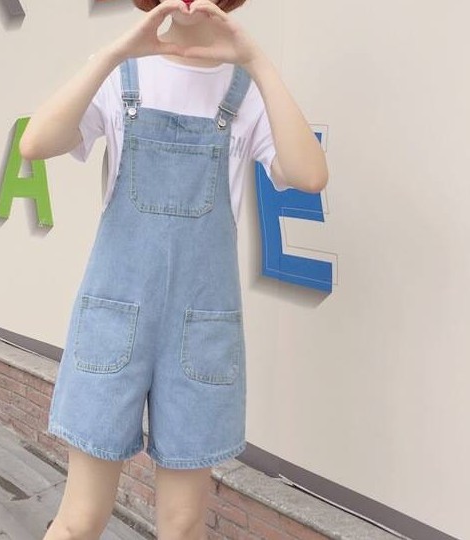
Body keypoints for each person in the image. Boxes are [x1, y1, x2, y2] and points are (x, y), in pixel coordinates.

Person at [20, 1, 328, 538]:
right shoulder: (123, 75)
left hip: (200, 331)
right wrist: (115, 52)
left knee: (183, 525)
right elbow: (35, 142)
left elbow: (310, 174)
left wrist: (256, 60)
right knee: (81, 519)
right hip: (114, 322)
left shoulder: (245, 92)